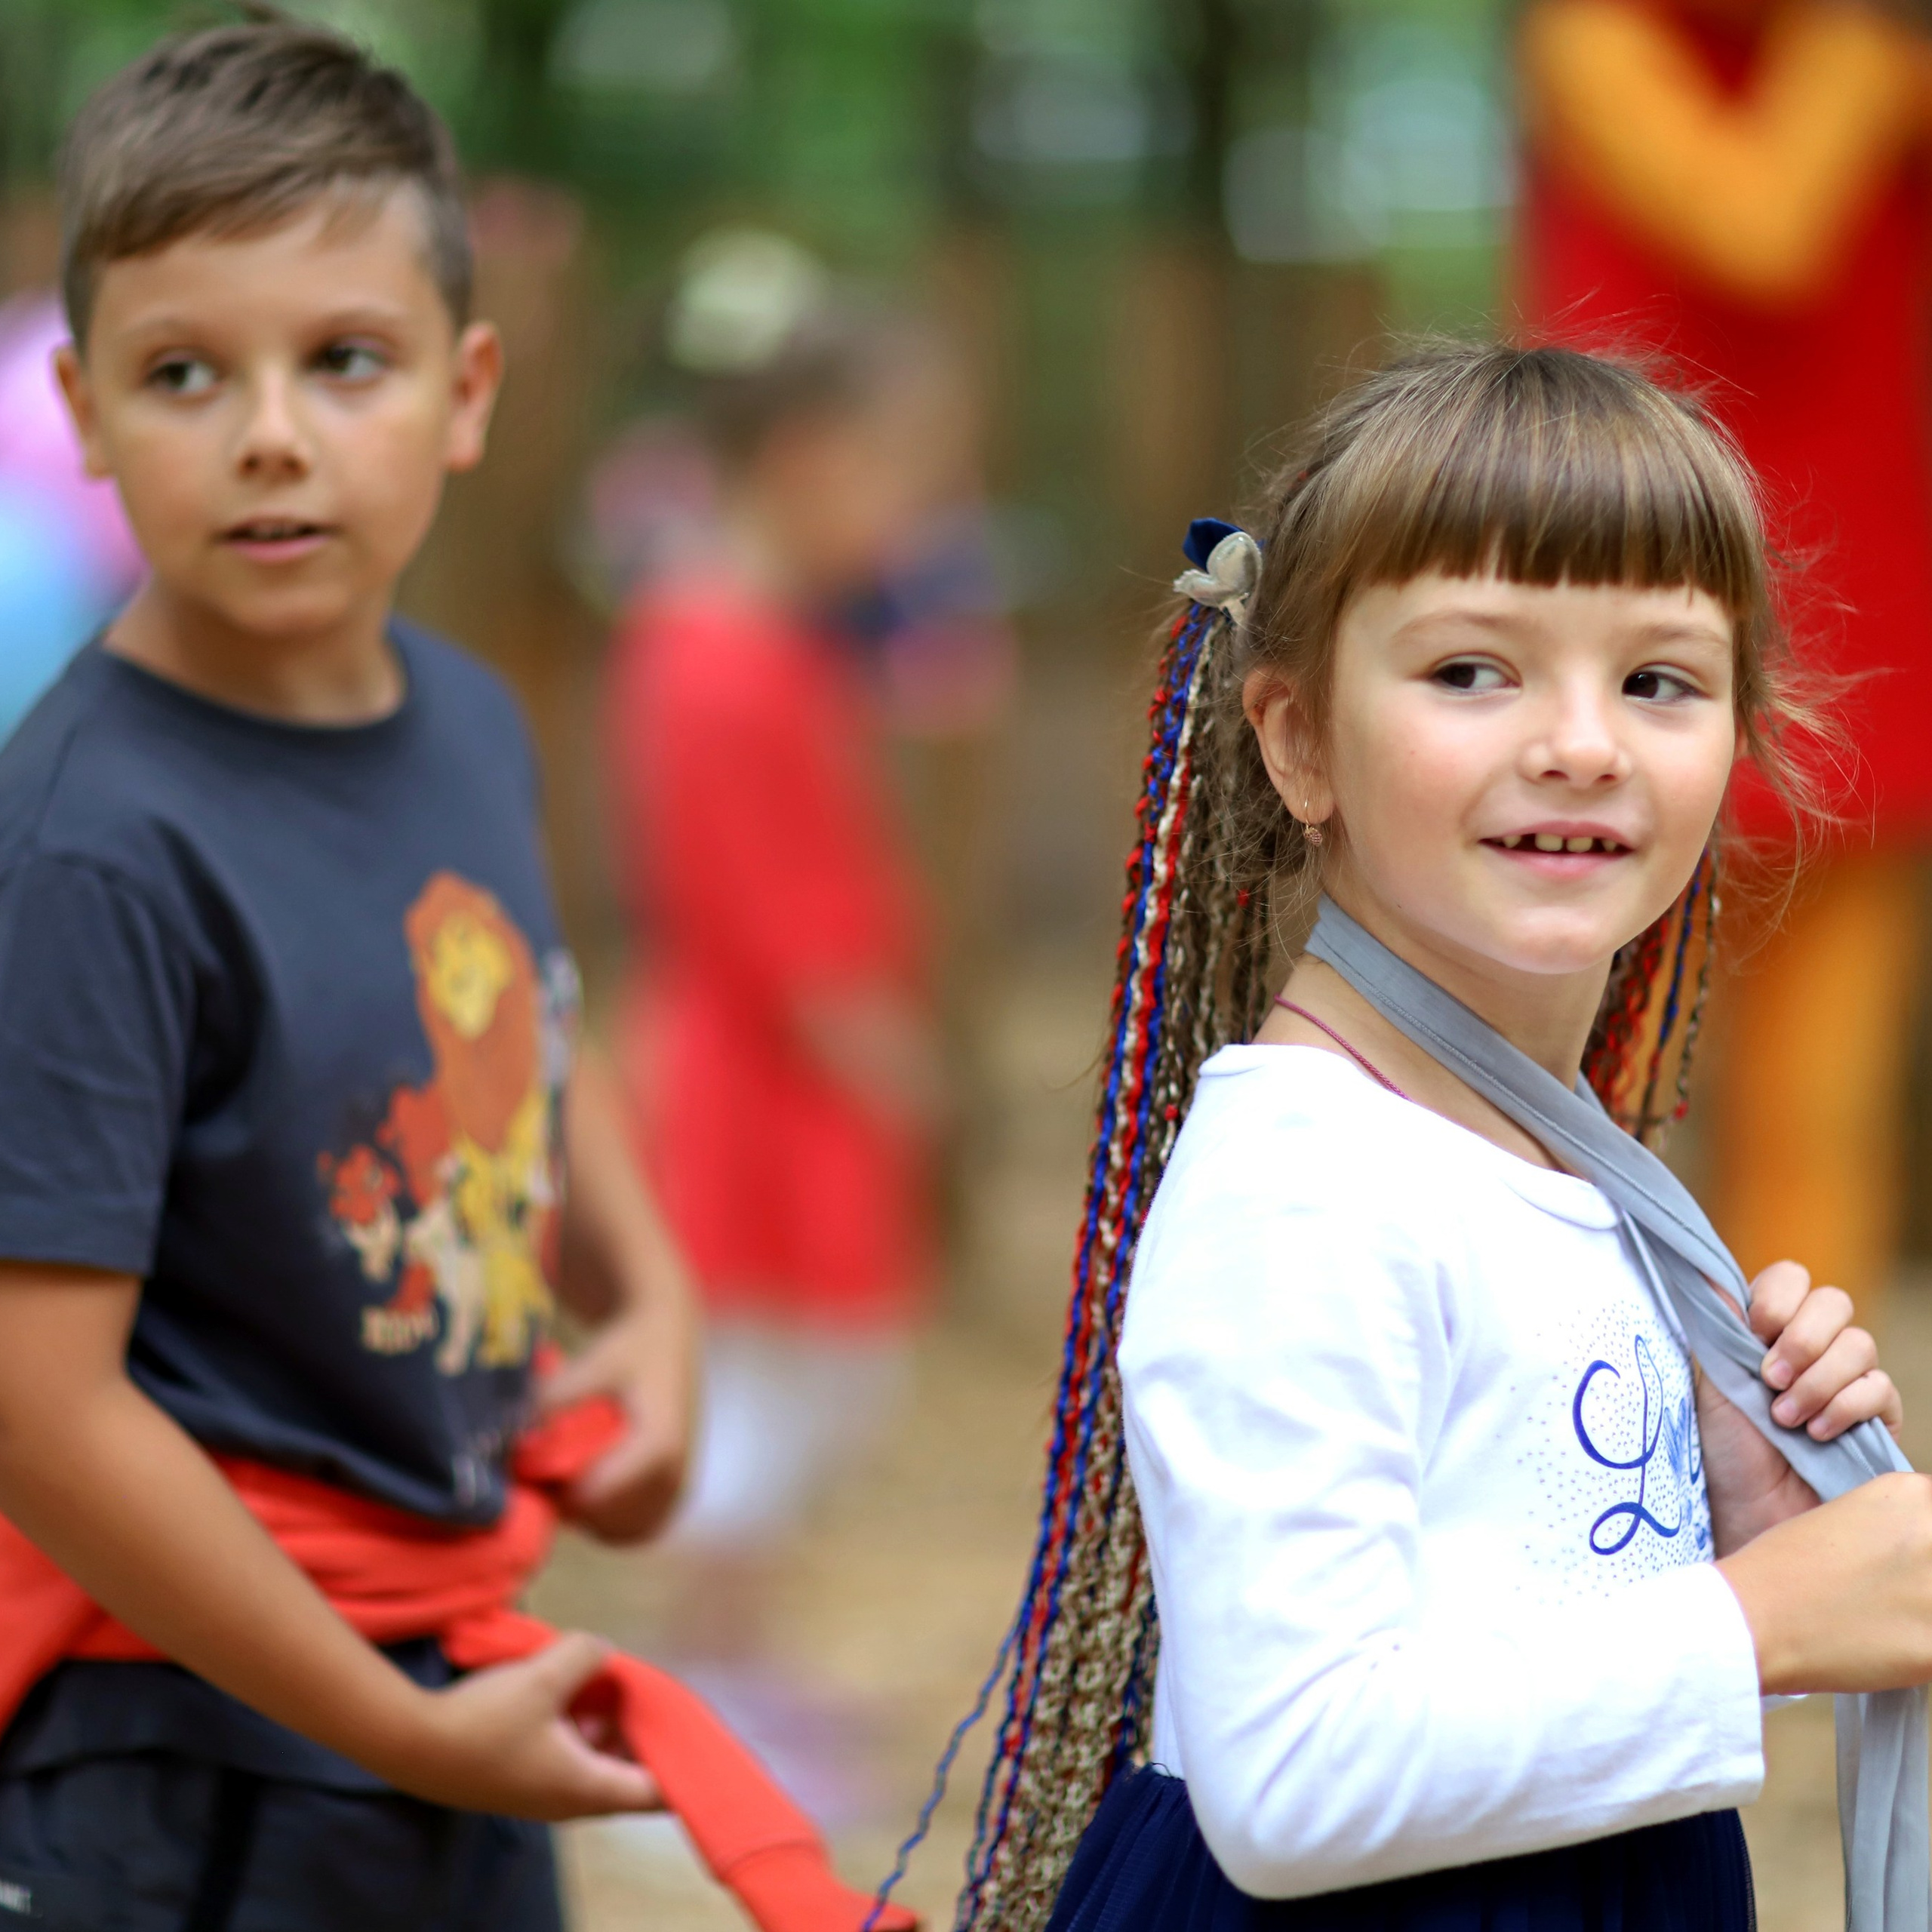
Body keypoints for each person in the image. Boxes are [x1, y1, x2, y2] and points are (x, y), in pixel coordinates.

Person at [0, 23, 913, 1932]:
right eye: (185, 373)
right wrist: (394, 1729)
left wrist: (649, 1298)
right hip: (171, 1750)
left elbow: (526, 1038)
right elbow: (43, 1405)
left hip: (452, 1670)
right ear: (83, 412)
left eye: (344, 359)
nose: (271, 429)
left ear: (464, 385)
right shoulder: (89, 847)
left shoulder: (471, 729)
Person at [920, 344, 1932, 1932]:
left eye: (1656, 678)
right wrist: (1750, 1623)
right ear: (1298, 741)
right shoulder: (1305, 1189)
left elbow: (1517, 1647)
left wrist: (1728, 1516)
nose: (1581, 740)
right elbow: (1294, 1776)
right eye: (1473, 669)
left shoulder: (1553, 1157)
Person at [1515, 0, 1932, 1318]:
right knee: (1591, 1091)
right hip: (1636, 620)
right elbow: (1766, 225)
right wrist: (1866, 51)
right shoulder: (1598, 37)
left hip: (1859, 628)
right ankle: (1571, 1432)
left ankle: (1809, 1457)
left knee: (1816, 1119)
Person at [605, 234, 959, 1611]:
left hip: (784, 1073)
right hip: (763, 1084)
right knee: (761, 1398)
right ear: (810, 454)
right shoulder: (720, 655)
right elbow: (771, 910)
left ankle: (738, 1687)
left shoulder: (761, 635)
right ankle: (709, 1704)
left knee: (802, 1388)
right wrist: (889, 1059)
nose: (920, 513)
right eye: (905, 471)